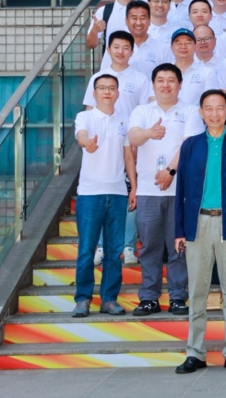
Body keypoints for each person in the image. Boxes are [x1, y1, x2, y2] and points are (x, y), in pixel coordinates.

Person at [174, 90, 226, 375]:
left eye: (219, 108)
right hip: (198, 223)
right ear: (201, 112)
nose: (214, 113)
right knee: (197, 291)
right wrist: (179, 229)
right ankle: (195, 353)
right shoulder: (191, 146)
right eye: (208, 108)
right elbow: (181, 191)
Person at [129, 64, 204, 317]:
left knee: (178, 246)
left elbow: (189, 144)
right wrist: (149, 132)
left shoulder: (190, 110)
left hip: (180, 190)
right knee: (149, 246)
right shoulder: (142, 110)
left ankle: (178, 297)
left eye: (171, 80)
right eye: (160, 80)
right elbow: (133, 138)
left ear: (180, 84)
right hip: (148, 191)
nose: (165, 85)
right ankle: (149, 298)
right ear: (153, 84)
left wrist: (171, 171)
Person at [72, 74, 136, 318]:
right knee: (87, 250)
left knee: (114, 251)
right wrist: (87, 143)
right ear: (94, 93)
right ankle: (83, 299)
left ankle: (109, 299)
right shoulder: (85, 117)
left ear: (118, 93)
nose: (107, 91)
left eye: (112, 88)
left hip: (118, 193)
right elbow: (81, 136)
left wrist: (134, 188)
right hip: (90, 194)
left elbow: (128, 155)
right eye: (102, 88)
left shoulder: (124, 120)